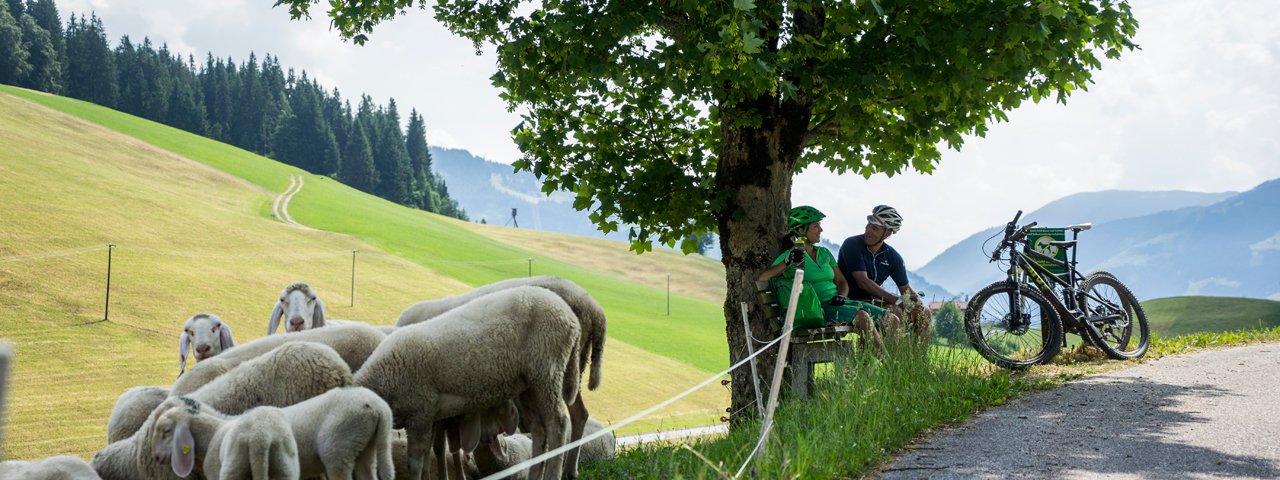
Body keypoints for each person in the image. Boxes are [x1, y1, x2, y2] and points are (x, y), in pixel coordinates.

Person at [758, 206, 890, 352]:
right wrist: (787, 262)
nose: (821, 230)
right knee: (863, 317)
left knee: (892, 319)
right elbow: (763, 277)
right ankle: (889, 367)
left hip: (840, 304)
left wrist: (841, 296)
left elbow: (842, 282)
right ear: (801, 230)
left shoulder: (825, 253)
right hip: (819, 310)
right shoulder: (792, 255)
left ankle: (880, 366)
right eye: (816, 226)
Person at [837, 205, 931, 343]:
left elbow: (905, 290)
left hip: (875, 302)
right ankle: (891, 359)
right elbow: (862, 282)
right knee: (895, 311)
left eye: (875, 228)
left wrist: (917, 303)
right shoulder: (852, 244)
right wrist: (894, 299)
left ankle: (917, 358)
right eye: (869, 224)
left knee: (925, 312)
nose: (868, 230)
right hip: (851, 300)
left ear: (888, 233)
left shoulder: (892, 256)